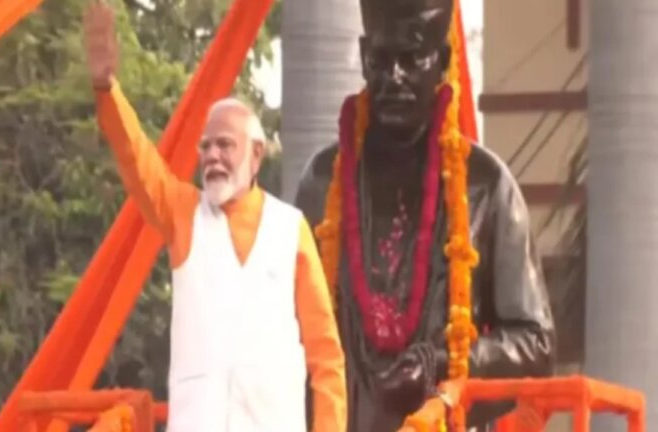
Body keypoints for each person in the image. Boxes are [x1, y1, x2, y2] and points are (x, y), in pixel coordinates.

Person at [82, 1, 347, 431]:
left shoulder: (289, 228)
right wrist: (106, 89)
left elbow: (325, 355)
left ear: (256, 154)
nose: (212, 156)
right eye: (206, 147)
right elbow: (138, 162)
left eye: (225, 145)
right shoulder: (184, 213)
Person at [294, 0, 556, 430]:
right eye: (381, 60)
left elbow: (536, 343)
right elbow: (280, 325)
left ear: (444, 61)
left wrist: (437, 363)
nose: (394, 77)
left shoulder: (485, 186)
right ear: (363, 57)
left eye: (412, 58)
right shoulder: (322, 182)